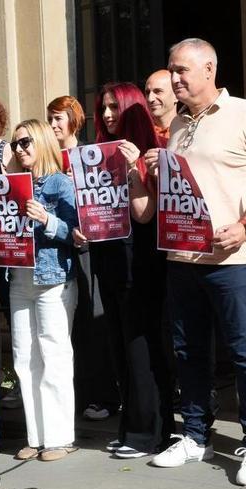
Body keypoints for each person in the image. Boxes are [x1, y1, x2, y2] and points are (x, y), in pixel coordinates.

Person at [147, 38, 246, 486]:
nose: (174, 78)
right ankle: (196, 435)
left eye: (181, 70)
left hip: (233, 259)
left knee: (244, 353)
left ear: (209, 69)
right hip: (183, 257)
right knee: (189, 351)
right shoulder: (179, 124)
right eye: (171, 70)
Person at [84, 82, 174, 459]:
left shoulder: (153, 153)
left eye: (114, 108)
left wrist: (135, 168)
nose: (107, 115)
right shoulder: (99, 155)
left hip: (140, 261)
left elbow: (144, 213)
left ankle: (151, 431)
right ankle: (131, 426)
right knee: (120, 345)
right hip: (108, 259)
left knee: (142, 347)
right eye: (103, 108)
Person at [0, 119, 79, 462]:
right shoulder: (11, 185)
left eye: (26, 142)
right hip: (20, 277)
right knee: (24, 357)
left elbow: (79, 234)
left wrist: (48, 221)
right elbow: (7, 232)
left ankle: (60, 437)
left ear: (40, 142)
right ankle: (36, 436)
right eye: (16, 144)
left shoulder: (60, 183)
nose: (20, 149)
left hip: (52, 277)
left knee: (53, 355)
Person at [46, 96, 119, 421]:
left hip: (88, 249)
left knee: (93, 321)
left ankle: (103, 394)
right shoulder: (47, 160)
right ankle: (73, 394)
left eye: (58, 118)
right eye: (49, 118)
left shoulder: (89, 156)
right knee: (65, 327)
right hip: (55, 251)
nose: (53, 125)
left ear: (75, 120)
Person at [144, 69, 178, 146]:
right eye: (147, 92)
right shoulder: (141, 132)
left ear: (176, 96)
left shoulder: (187, 130)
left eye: (158, 91)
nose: (150, 98)